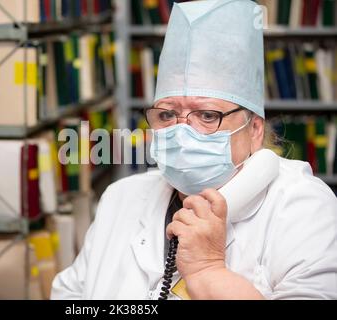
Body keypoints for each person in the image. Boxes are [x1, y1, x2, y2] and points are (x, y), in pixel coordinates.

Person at [51, 0, 337, 299]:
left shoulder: (302, 207)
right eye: (167, 115)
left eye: (208, 115)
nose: (182, 132)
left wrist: (208, 271)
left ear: (254, 131)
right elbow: (70, 295)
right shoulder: (120, 197)